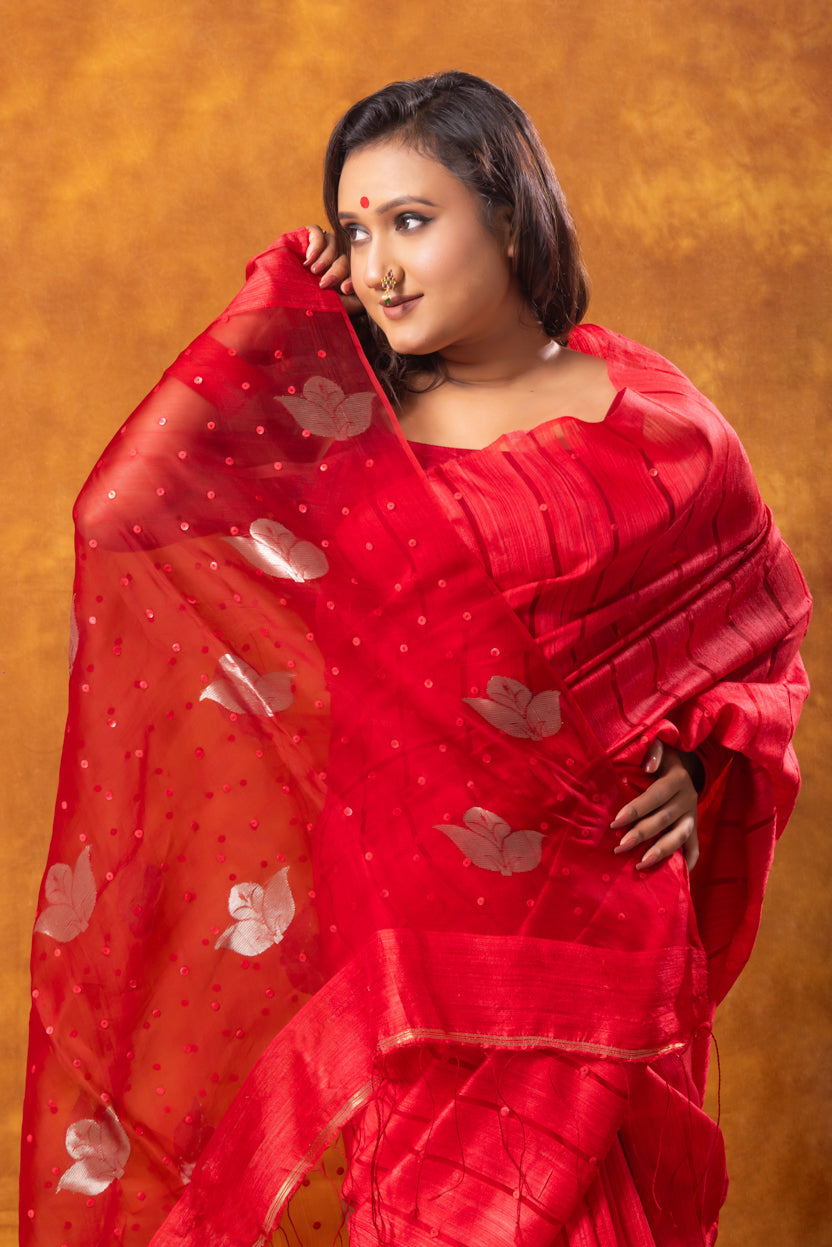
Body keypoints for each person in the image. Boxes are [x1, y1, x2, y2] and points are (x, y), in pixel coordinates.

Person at [20, 72, 810, 1247]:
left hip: (601, 933)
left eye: (410, 220)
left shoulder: (661, 425)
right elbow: (121, 513)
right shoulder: (343, 432)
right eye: (354, 229)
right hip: (415, 949)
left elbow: (759, 641)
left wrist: (701, 766)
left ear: (506, 215)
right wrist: (275, 302)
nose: (378, 264)